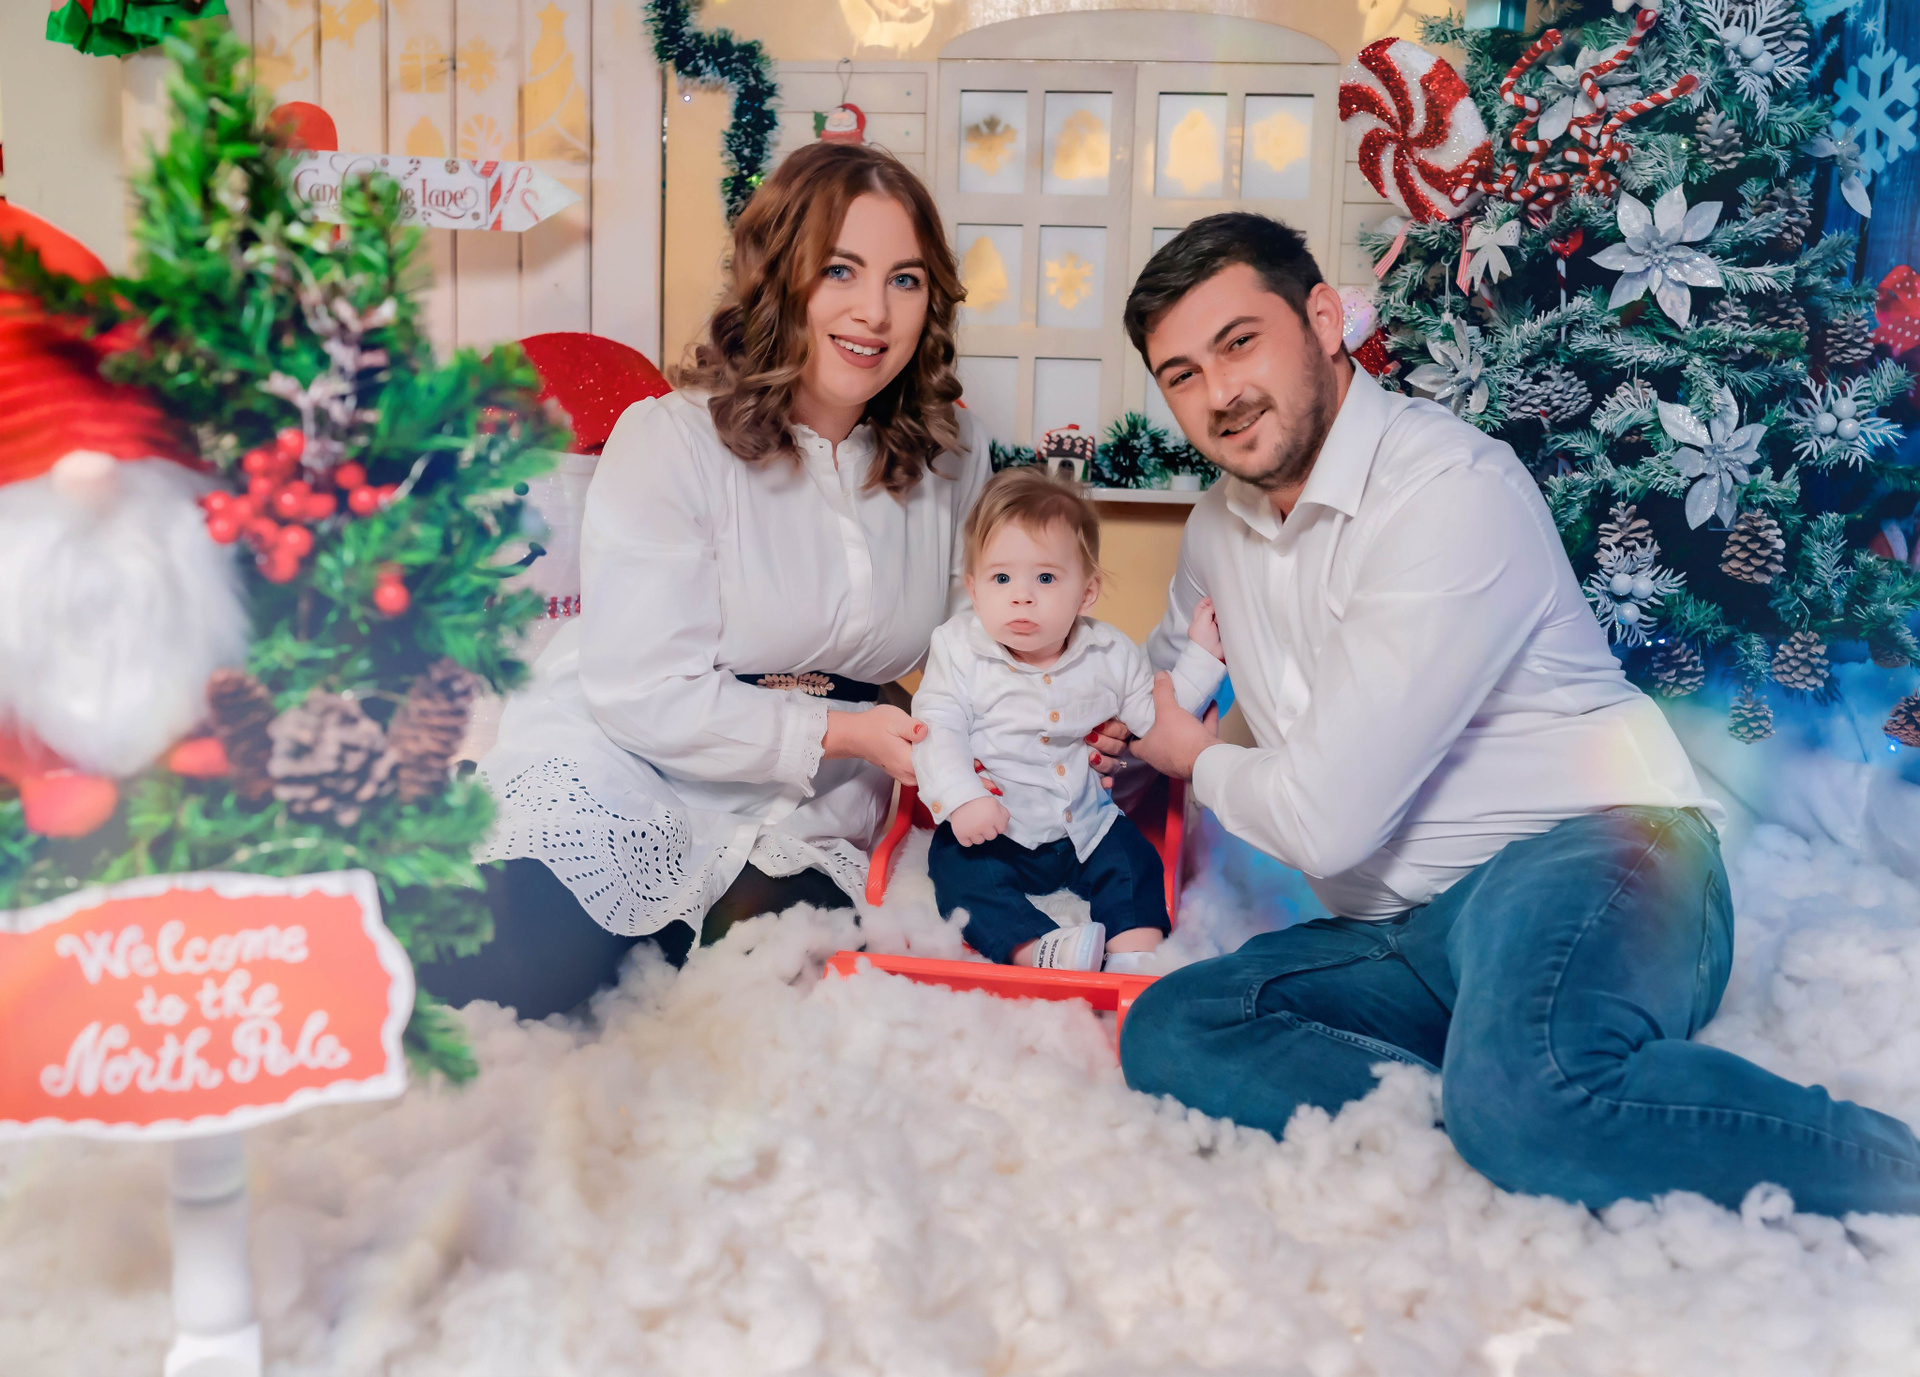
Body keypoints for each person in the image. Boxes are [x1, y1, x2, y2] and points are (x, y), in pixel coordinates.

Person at [1114, 212, 1920, 1218]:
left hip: (1594, 858)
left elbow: (1323, 820)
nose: (1220, 393)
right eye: (1182, 374)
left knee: (1533, 1098)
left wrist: (1195, 759)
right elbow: (1156, 694)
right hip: (1404, 932)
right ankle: (1492, 1112)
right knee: (1176, 1025)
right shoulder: (1216, 530)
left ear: (1321, 319)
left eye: (1240, 343)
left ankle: (1886, 1170)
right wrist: (1093, 731)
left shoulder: (1445, 489)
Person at [416, 142, 991, 1018]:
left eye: (905, 279)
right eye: (839, 270)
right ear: (778, 277)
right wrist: (847, 729)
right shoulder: (671, 439)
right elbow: (645, 693)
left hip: (820, 795)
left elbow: (975, 642)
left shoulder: (956, 454)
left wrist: (1055, 706)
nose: (874, 312)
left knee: (749, 990)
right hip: (637, 752)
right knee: (503, 973)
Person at [912, 468, 1225, 971]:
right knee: (957, 873)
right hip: (996, 828)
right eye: (1001, 578)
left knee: (1132, 860)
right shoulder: (958, 648)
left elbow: (1157, 721)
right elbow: (937, 726)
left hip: (1084, 825)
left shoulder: (1109, 653)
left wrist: (1202, 662)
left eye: (1045, 578)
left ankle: (1133, 951)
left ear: (1086, 592)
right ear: (974, 588)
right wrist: (963, 797)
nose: (1021, 595)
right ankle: (1037, 948)